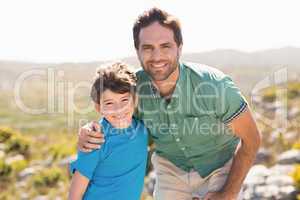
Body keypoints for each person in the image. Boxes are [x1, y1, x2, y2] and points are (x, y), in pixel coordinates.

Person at [77, 8, 261, 200]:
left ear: (179, 47)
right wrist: (89, 132)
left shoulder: (214, 85)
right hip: (170, 170)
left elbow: (252, 139)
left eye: (165, 46)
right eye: (148, 48)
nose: (157, 57)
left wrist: (228, 193)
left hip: (220, 166)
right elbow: (116, 119)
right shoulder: (133, 88)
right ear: (137, 51)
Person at [68, 62, 148, 200]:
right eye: (109, 103)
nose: (119, 109)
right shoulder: (95, 140)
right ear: (99, 108)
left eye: (124, 100)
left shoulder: (142, 129)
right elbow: (75, 195)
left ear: (135, 100)